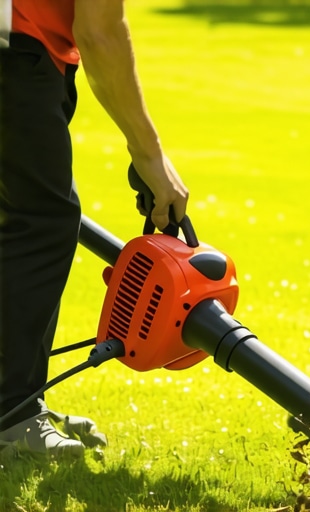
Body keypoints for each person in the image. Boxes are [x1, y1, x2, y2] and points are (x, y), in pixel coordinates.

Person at [0, 0, 189, 457]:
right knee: (41, 223)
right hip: (14, 51)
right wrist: (150, 154)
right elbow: (100, 31)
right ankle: (12, 416)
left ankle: (21, 400)